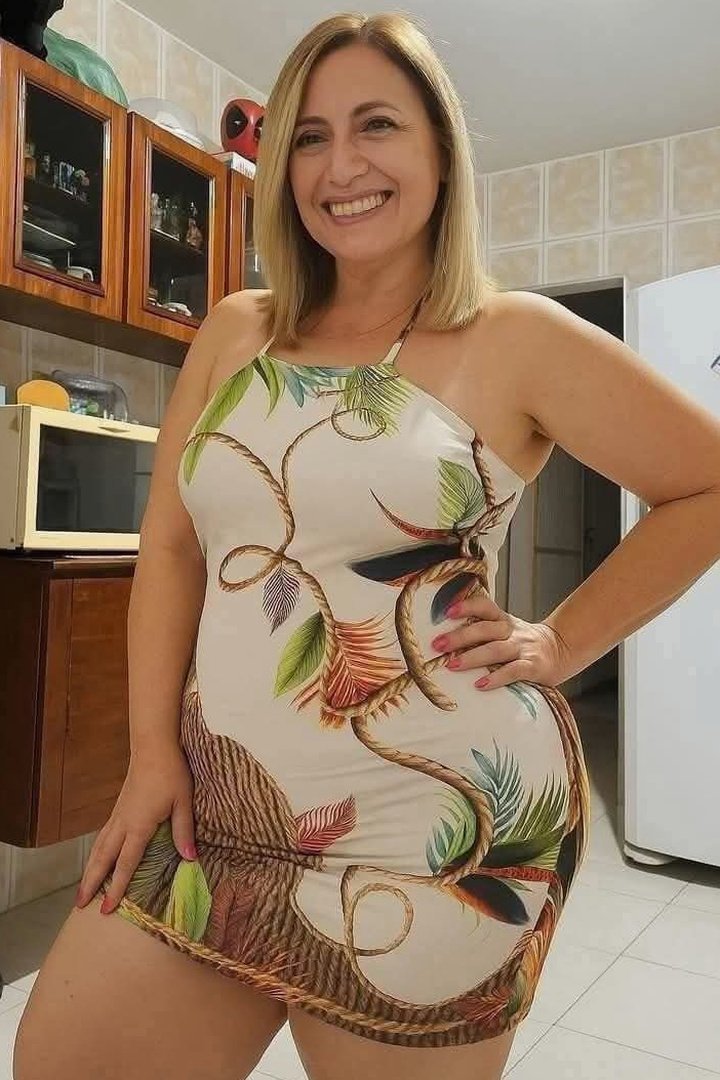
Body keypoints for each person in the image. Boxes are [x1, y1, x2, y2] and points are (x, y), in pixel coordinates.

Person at [14, 11, 720, 1080]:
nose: (340, 165)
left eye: (377, 125)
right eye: (308, 135)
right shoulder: (235, 331)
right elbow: (171, 552)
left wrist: (563, 641)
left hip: (429, 834)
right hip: (216, 810)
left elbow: (704, 482)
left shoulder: (513, 336)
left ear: (441, 152)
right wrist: (153, 756)